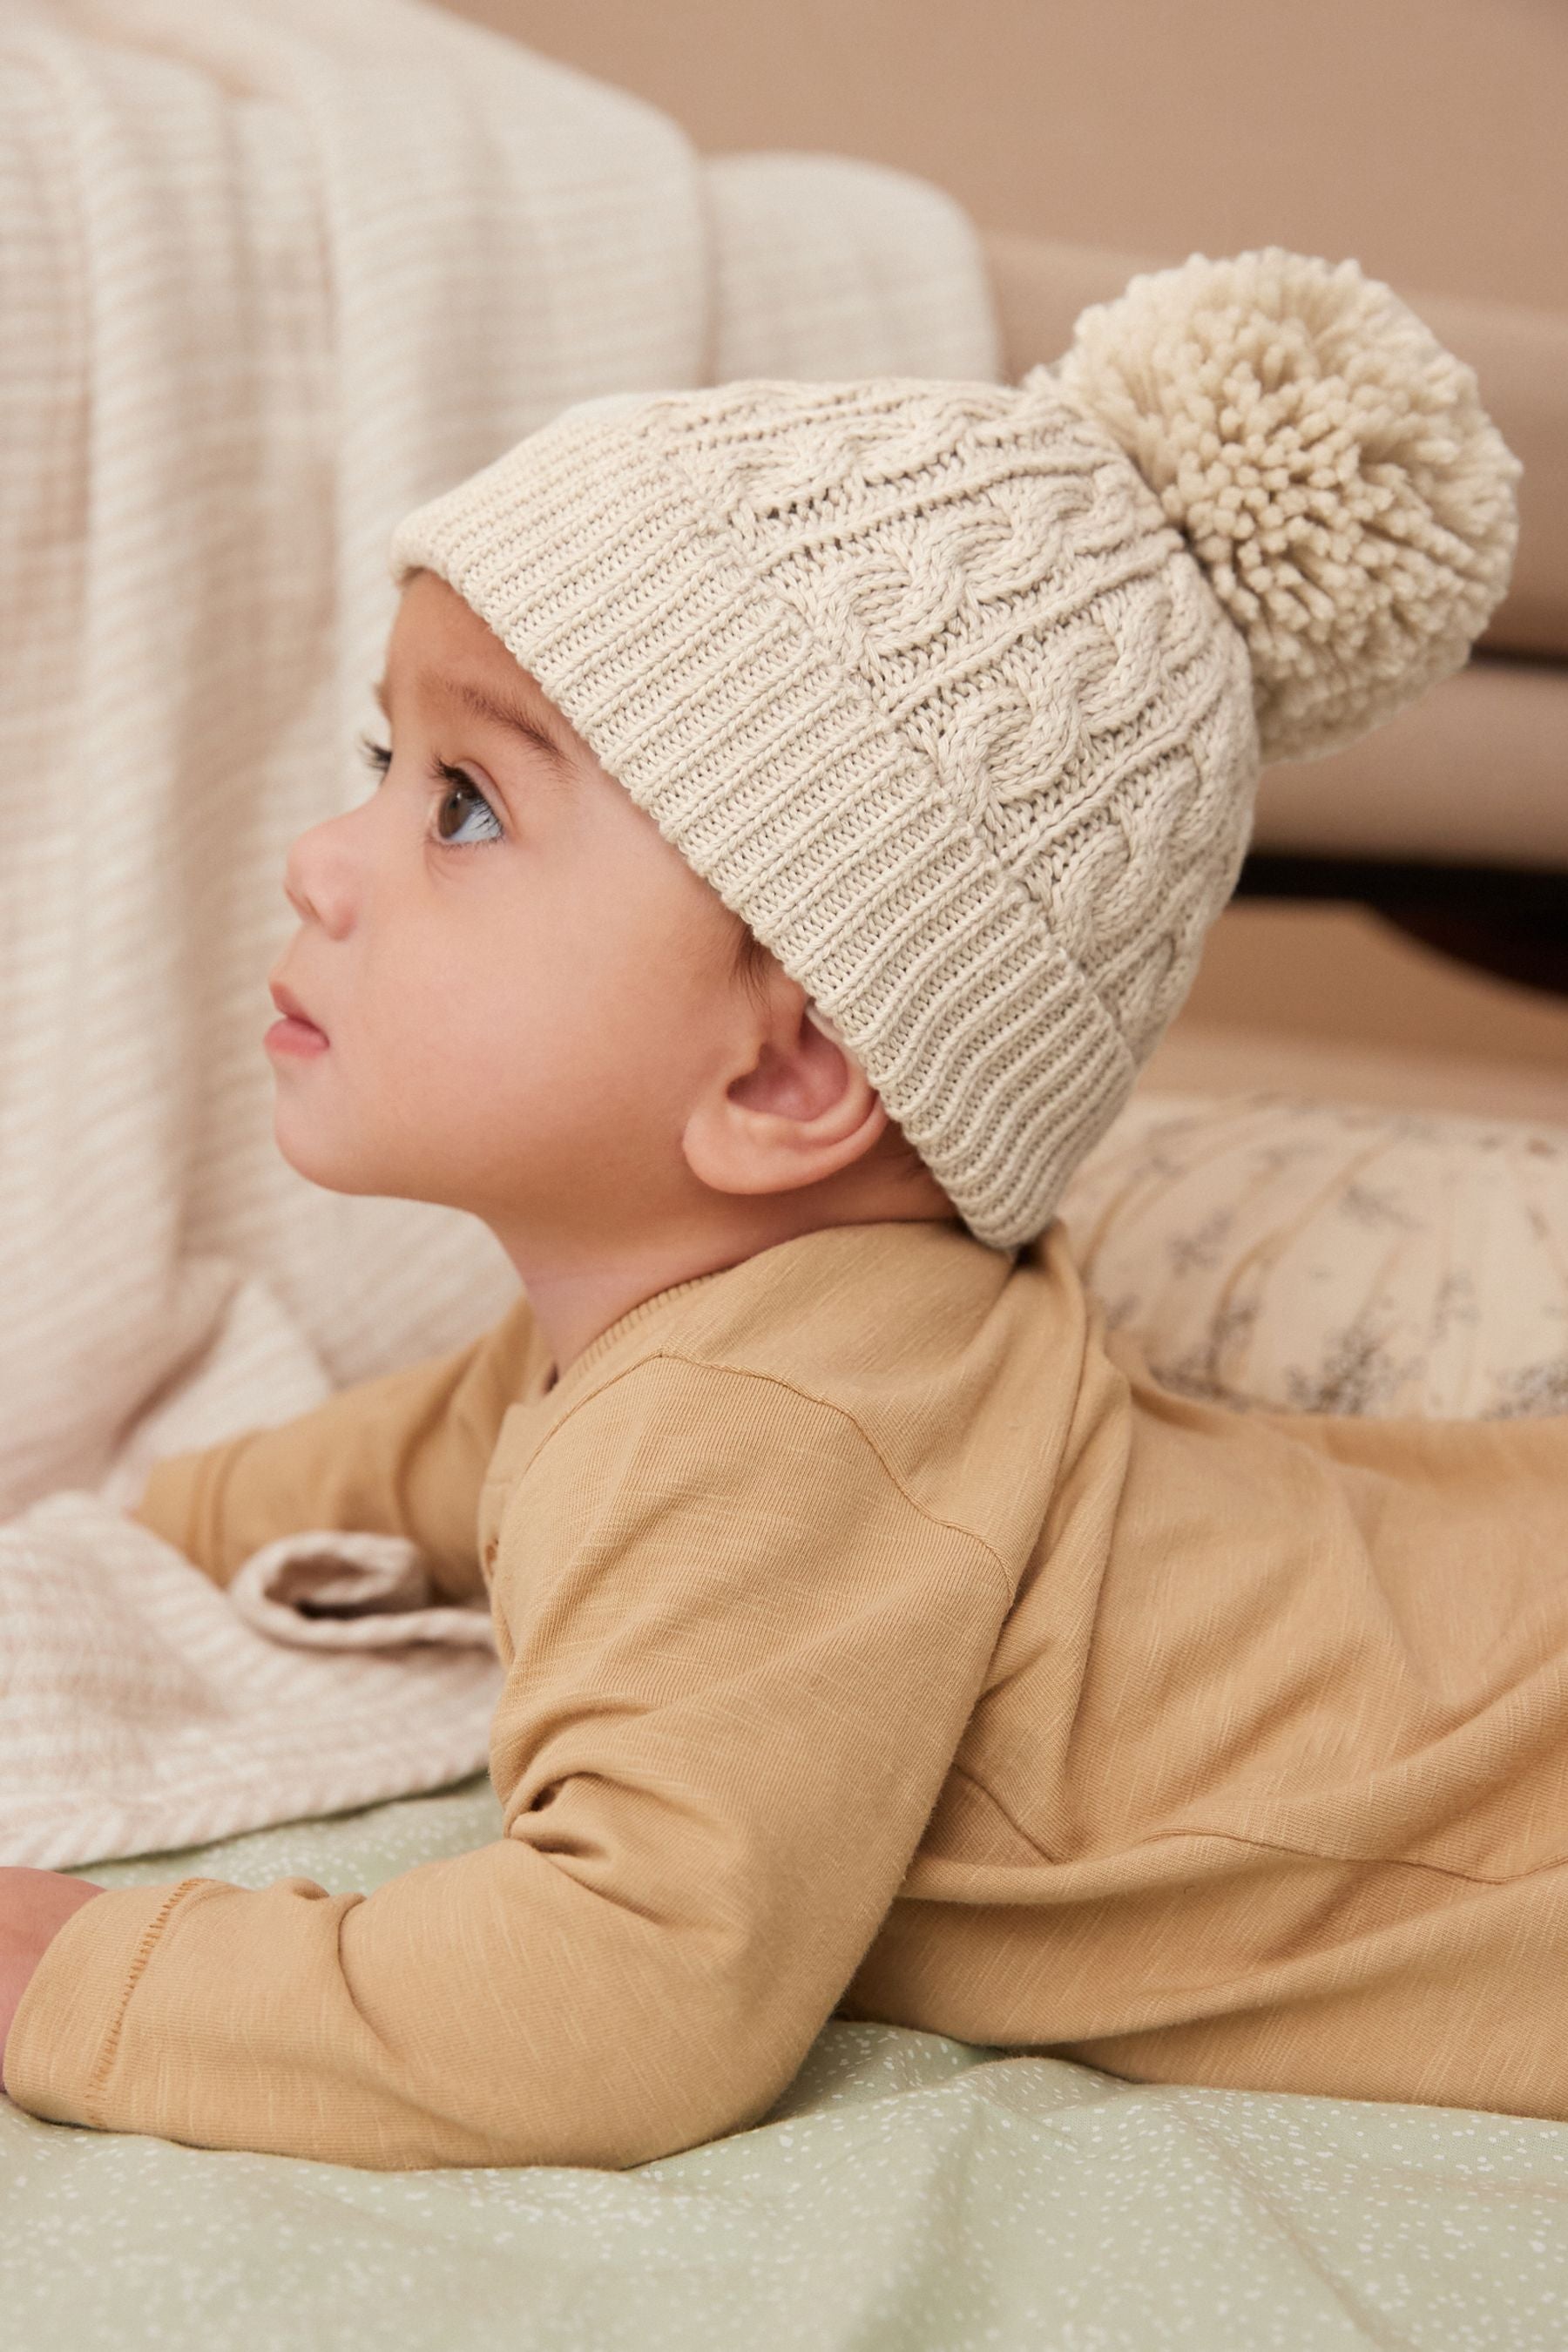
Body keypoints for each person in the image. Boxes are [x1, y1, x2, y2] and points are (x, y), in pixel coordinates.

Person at [4, 247, 1560, 2173]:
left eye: (464, 804)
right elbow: (424, 1456)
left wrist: (73, 1968)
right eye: (378, 764)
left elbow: (613, 1998)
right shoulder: (679, 1334)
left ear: (787, 1077)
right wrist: (131, 1524)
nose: (326, 861)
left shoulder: (765, 1430)